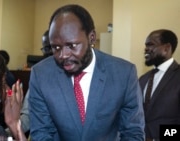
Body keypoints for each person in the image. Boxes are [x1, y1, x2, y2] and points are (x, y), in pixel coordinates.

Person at [29, 4, 145, 140]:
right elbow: (41, 132)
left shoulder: (124, 74)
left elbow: (133, 132)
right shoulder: (41, 74)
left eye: (71, 46)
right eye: (56, 47)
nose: (63, 55)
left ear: (91, 38)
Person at [139, 29, 179, 141]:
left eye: (151, 45)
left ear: (167, 48)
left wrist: (156, 137)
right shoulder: (143, 79)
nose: (146, 49)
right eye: (145, 45)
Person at [20, 29, 53, 135]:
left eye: (55, 46)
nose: (50, 52)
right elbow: (28, 117)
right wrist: (3, 133)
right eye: (46, 48)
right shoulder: (39, 76)